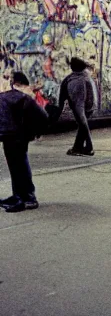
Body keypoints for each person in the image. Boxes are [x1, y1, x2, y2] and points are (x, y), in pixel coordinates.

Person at [0, 72, 49, 212]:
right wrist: (35, 132)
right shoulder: (24, 98)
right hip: (20, 136)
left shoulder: (8, 97)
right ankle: (21, 196)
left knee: (16, 166)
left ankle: (26, 198)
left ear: (13, 83)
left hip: (8, 136)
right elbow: (43, 117)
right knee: (18, 165)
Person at [58, 57, 97, 156]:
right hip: (90, 107)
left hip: (78, 106)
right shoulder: (87, 77)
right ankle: (77, 147)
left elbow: (64, 97)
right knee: (82, 126)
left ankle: (89, 147)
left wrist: (59, 109)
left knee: (83, 125)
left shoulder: (71, 80)